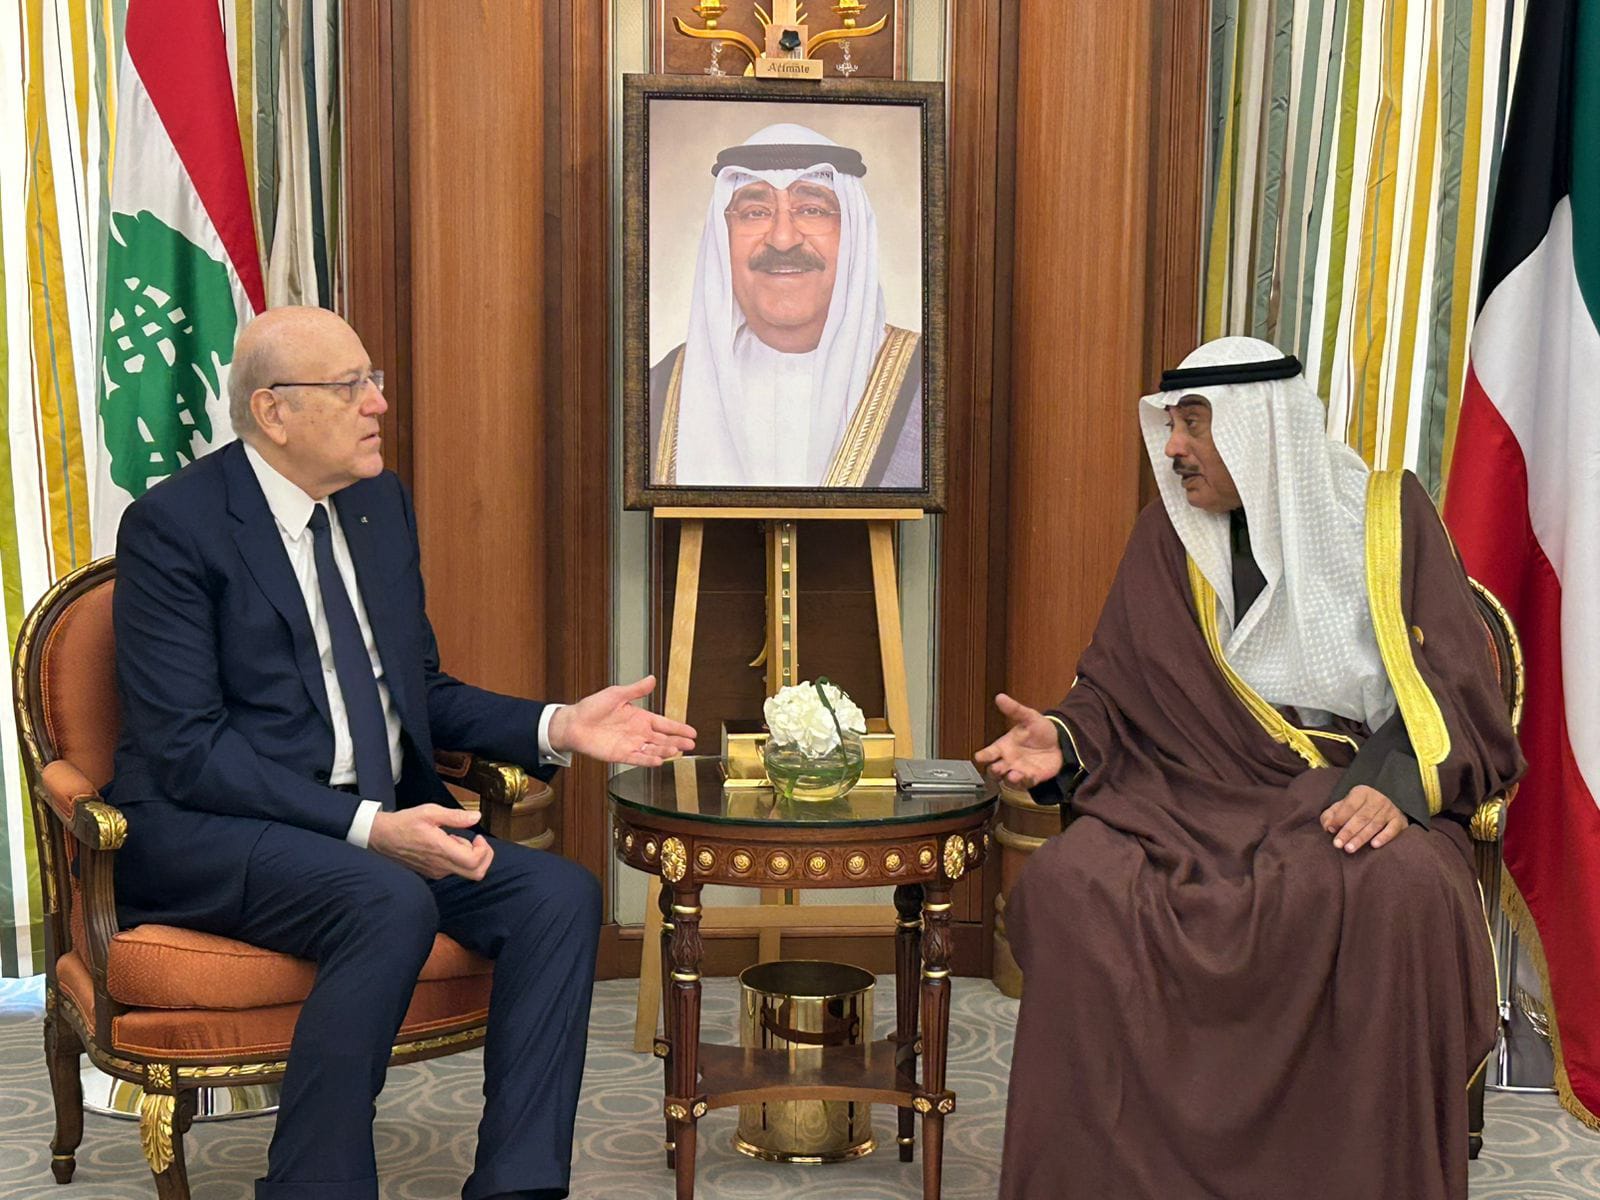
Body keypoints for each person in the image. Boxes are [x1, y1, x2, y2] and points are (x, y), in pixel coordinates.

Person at [108, 306, 697, 1200]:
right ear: (273, 411)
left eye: (373, 380)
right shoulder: (174, 526)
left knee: (557, 896)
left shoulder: (377, 504)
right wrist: (370, 828)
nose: (379, 404)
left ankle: (519, 1184)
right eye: (351, 387)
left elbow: (417, 688)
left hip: (379, 822)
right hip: (217, 829)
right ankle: (314, 1188)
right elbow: (188, 751)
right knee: (384, 897)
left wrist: (558, 725)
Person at [978, 336, 1522, 1200]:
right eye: (1172, 424)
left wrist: (1394, 787)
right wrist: (1067, 739)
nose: (1173, 447)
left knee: (1401, 892)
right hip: (1188, 791)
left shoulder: (1386, 517)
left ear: (1263, 428)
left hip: (1349, 783)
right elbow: (1117, 686)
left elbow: (1455, 683)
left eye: (1195, 424)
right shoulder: (1169, 536)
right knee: (1072, 885)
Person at [649, 122, 922, 488]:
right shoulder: (658, 394)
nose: (782, 239)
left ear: (853, 233)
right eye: (754, 213)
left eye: (812, 209)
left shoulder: (929, 386)